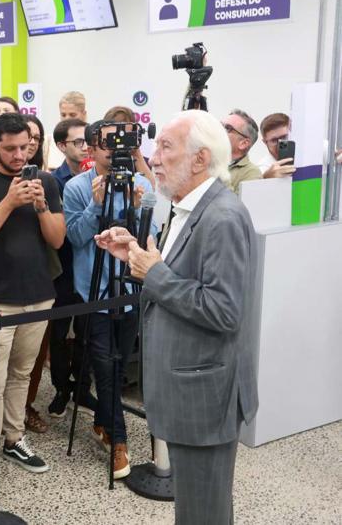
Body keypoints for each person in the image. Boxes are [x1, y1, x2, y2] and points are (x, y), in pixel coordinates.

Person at [94, 110, 258, 524]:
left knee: (203, 513)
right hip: (191, 390)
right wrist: (135, 254)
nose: (153, 157)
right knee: (197, 509)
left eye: (166, 147)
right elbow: (180, 275)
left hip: (204, 398)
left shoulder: (221, 217)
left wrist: (154, 273)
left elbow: (223, 310)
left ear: (200, 158)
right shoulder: (191, 208)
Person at [0, 112, 64, 498]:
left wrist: (40, 207)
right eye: (11, 149)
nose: (20, 155)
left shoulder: (46, 181)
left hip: (39, 294)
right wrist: (8, 202)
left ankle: (13, 438)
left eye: (26, 147)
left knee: (22, 375)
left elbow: (57, 240)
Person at [63, 120, 155, 481]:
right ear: (91, 148)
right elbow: (75, 237)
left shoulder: (142, 184)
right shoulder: (76, 187)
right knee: (103, 365)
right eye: (106, 143)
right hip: (94, 292)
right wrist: (95, 205)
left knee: (118, 364)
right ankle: (119, 440)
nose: (115, 149)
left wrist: (139, 210)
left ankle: (103, 421)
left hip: (130, 290)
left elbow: (151, 240)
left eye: (121, 142)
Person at [39, 119, 95, 422]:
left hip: (91, 266)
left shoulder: (98, 177)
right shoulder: (52, 181)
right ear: (61, 146)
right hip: (62, 269)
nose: (85, 147)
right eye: (77, 142)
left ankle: (82, 387)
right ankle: (61, 388)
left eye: (88, 141)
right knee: (59, 334)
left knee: (88, 332)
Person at [223, 109, 262, 193]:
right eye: (220, 126)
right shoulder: (204, 158)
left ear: (243, 143)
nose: (219, 130)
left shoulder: (252, 173)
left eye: (228, 128)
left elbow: (231, 201)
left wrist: (217, 170)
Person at [259, 112, 296, 178]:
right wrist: (266, 178)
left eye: (284, 137)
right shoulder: (262, 169)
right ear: (265, 142)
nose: (281, 144)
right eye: (274, 140)